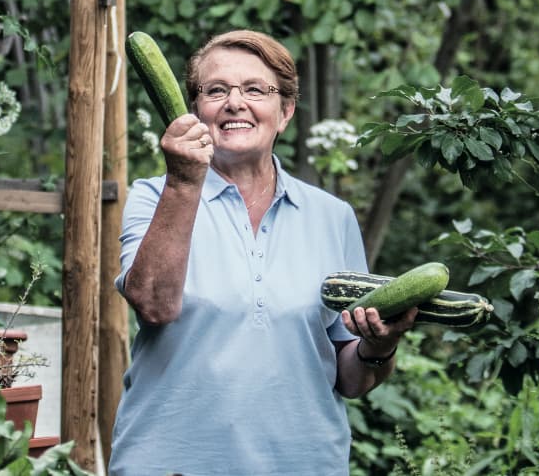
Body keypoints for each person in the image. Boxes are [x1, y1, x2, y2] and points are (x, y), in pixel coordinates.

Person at [108, 30, 416, 475]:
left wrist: (379, 345)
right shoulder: (154, 196)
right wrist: (183, 181)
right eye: (216, 91)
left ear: (285, 111)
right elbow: (154, 304)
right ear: (194, 110)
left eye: (255, 89)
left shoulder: (333, 216)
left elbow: (351, 378)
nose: (235, 102)